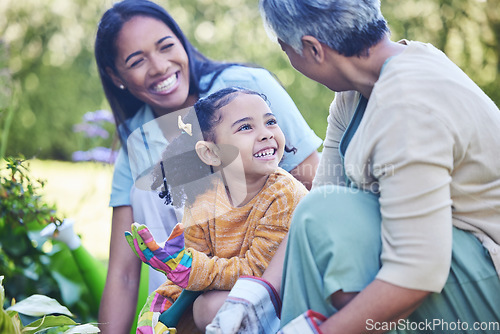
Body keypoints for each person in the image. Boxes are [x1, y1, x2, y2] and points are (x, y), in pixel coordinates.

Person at [209, 0, 500, 333]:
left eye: (286, 50)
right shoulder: (357, 92)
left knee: (326, 214)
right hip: (447, 264)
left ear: (312, 49)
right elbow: (320, 200)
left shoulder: (407, 104)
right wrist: (258, 293)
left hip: (482, 277)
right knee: (321, 210)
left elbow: (417, 271)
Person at [93, 0, 322, 332]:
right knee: (149, 187)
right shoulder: (138, 140)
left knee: (210, 308)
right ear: (117, 76)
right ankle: (167, 317)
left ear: (183, 43)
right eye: (137, 60)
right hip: (202, 278)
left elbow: (316, 187)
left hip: (272, 268)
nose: (158, 66)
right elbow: (124, 272)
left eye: (166, 46)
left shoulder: (246, 87)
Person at [126, 86, 309, 333]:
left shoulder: (285, 194)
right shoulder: (203, 200)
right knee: (188, 313)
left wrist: (189, 269)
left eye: (271, 122)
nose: (266, 134)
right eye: (246, 127)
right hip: (235, 295)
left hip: (290, 298)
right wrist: (161, 306)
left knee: (209, 308)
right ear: (210, 153)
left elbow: (258, 272)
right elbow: (193, 273)